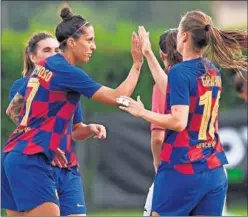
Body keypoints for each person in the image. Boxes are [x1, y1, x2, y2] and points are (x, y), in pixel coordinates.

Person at [2, 6, 143, 216]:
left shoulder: (44, 66)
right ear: (71, 42)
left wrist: (45, 140)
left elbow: (13, 109)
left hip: (24, 155)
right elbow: (117, 97)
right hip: (29, 159)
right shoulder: (66, 71)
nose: (94, 46)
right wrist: (138, 62)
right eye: (89, 40)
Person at [118, 10, 247, 216]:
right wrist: (149, 54)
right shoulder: (212, 69)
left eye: (178, 31)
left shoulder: (180, 71)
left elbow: (178, 122)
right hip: (213, 169)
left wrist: (142, 112)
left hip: (183, 167)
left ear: (185, 36)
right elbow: (171, 90)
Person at [2, 31, 106, 217]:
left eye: (57, 50)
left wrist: (89, 129)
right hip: (35, 161)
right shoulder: (24, 85)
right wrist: (44, 141)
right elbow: (17, 115)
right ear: (32, 57)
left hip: (65, 167)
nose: (53, 54)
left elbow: (74, 129)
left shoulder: (67, 82)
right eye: (47, 50)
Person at [143, 29, 182, 216]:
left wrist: (160, 167)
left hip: (176, 169)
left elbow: (158, 137)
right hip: (210, 168)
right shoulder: (203, 77)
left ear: (162, 54)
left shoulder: (163, 86)